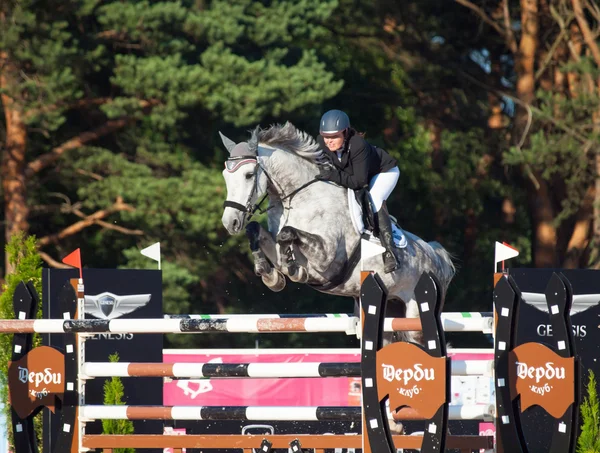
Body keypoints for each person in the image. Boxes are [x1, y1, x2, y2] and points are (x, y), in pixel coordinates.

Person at [315, 109, 400, 273]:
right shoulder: (321, 142)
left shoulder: (358, 145)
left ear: (345, 132)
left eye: (334, 137)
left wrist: (333, 175)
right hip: (356, 175)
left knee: (374, 198)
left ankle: (390, 253)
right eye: (326, 136)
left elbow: (359, 182)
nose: (329, 141)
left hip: (384, 172)